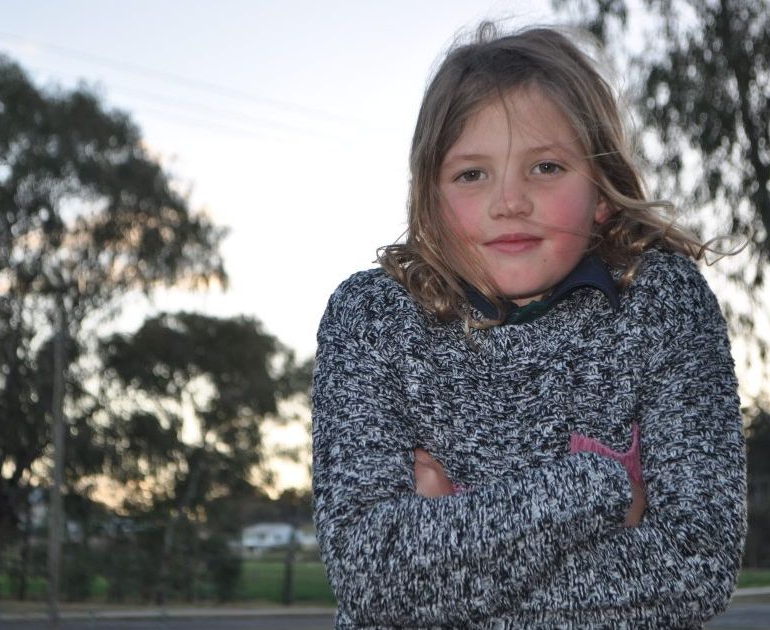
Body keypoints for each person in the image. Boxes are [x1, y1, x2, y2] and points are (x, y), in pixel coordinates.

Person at [311, 23, 746, 629]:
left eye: (545, 166)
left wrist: (447, 553)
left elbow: (697, 567)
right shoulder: (372, 319)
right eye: (472, 174)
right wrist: (599, 488)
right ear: (431, 197)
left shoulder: (662, 304)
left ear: (599, 189)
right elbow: (372, 579)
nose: (509, 201)